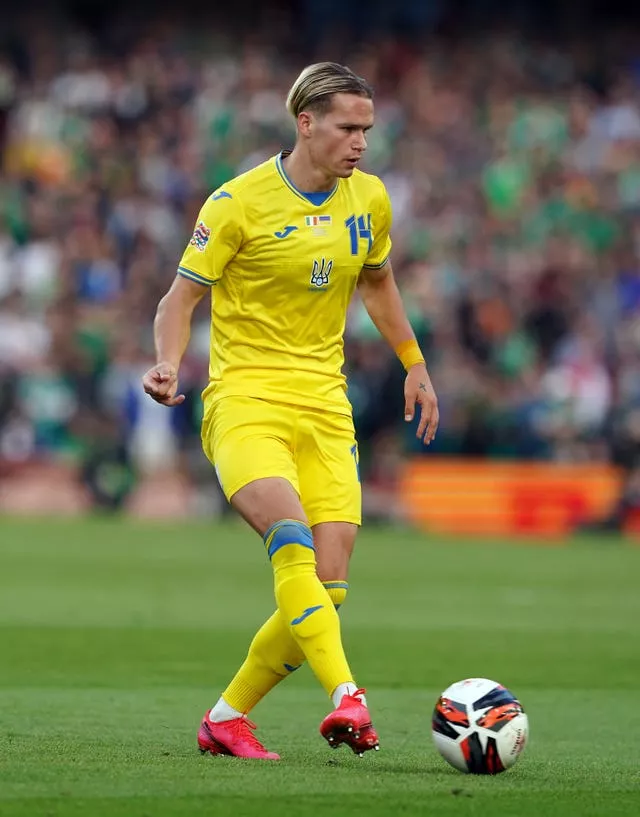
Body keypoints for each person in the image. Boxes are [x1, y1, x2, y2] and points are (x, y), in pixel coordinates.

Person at [142, 62, 439, 760]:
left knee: (326, 590)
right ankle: (348, 697)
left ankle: (225, 718)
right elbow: (179, 299)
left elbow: (379, 281)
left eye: (367, 128)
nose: (361, 142)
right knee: (291, 541)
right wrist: (167, 359)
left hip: (325, 410)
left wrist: (415, 361)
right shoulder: (236, 202)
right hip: (246, 401)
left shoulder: (369, 200)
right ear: (306, 124)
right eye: (347, 127)